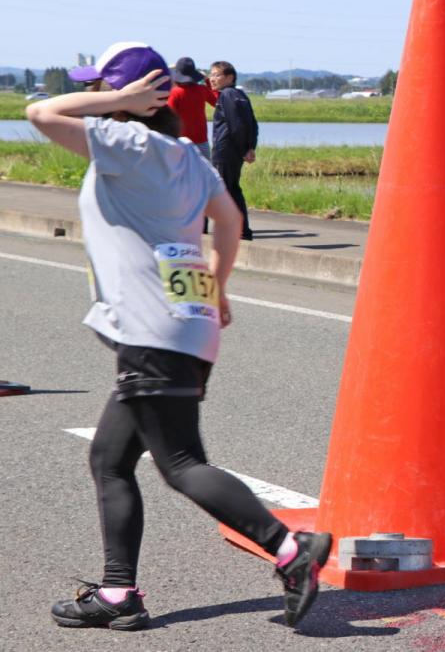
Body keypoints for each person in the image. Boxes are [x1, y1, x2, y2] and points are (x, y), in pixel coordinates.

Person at [26, 42, 329, 631]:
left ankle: (291, 548)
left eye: (101, 86)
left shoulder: (127, 143)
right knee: (110, 458)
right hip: (188, 325)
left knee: (181, 462)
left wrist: (121, 102)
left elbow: (39, 114)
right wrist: (217, 285)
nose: (91, 95)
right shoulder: (188, 155)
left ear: (133, 96)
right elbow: (231, 220)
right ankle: (118, 594)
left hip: (150, 328)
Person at [209, 60, 258, 241]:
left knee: (225, 191)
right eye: (211, 74)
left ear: (229, 77)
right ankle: (241, 230)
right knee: (232, 190)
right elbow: (252, 124)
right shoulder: (240, 94)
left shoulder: (227, 95)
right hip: (234, 151)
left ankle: (239, 231)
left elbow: (236, 125)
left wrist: (244, 148)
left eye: (216, 75)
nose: (211, 79)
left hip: (225, 150)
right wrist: (250, 147)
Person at [167, 56, 217, 160]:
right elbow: (216, 102)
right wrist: (207, 81)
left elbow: (169, 117)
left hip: (180, 142)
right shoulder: (202, 90)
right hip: (201, 141)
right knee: (204, 174)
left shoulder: (175, 93)